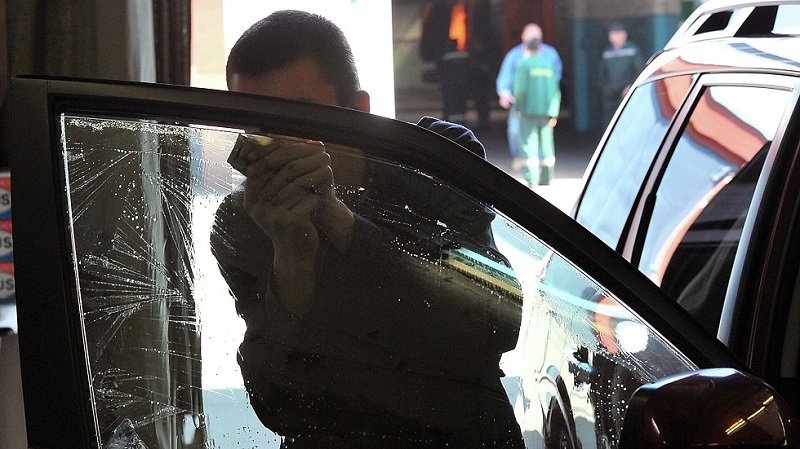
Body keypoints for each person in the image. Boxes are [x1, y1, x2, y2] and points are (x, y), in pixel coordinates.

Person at [211, 9, 523, 448]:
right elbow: (278, 403)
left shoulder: (434, 161)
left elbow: (493, 324)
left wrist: (336, 219)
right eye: (258, 125)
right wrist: (293, 257)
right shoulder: (244, 221)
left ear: (358, 112)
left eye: (300, 117)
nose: (280, 144)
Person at [496, 23, 562, 172]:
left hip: (536, 104)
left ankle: (532, 168)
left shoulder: (549, 56)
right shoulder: (515, 56)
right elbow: (505, 77)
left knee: (535, 137)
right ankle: (532, 164)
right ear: (523, 37)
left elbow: (555, 81)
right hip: (530, 105)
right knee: (517, 132)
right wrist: (504, 93)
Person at [512, 36, 561, 187]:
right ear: (540, 48)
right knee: (546, 142)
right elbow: (556, 91)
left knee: (529, 142)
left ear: (526, 48)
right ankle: (547, 176)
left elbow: (519, 90)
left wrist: (518, 108)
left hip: (528, 111)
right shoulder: (549, 65)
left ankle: (531, 177)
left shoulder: (523, 64)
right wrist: (554, 112)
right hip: (547, 111)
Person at [597, 22, 644, 128]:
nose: (613, 37)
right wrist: (604, 89)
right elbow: (602, 73)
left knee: (626, 121)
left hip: (625, 93)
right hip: (609, 94)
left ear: (624, 35)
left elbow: (639, 70)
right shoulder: (607, 52)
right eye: (611, 34)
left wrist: (630, 86)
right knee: (609, 122)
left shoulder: (632, 50)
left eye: (616, 34)